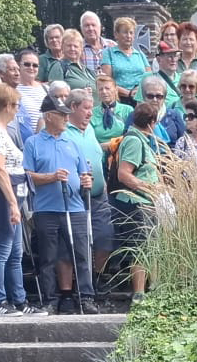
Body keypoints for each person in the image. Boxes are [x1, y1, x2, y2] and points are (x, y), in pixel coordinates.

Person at [23, 94, 96, 314]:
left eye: (66, 114)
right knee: (48, 256)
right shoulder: (33, 142)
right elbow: (26, 175)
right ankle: (50, 299)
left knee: (81, 254)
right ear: (49, 116)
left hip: (74, 207)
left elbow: (85, 174)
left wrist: (86, 181)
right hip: (46, 209)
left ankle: (86, 297)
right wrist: (51, 177)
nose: (66, 118)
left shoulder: (73, 142)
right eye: (61, 114)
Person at [0, 84, 45, 316]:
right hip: (4, 191)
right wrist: (12, 204)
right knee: (2, 247)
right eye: (16, 105)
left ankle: (19, 299)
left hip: (12, 190)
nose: (18, 110)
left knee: (15, 250)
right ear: (7, 106)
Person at [62, 88, 113, 300]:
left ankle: (98, 278)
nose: (91, 113)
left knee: (105, 237)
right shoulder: (64, 131)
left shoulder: (89, 128)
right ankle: (74, 288)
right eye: (86, 108)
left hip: (99, 195)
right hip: (76, 197)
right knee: (76, 244)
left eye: (92, 108)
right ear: (73, 107)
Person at [112, 101, 162, 303]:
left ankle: (153, 287)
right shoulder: (134, 141)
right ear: (152, 121)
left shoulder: (143, 140)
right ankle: (139, 293)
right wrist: (150, 188)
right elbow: (124, 174)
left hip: (146, 203)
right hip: (137, 204)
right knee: (141, 247)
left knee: (151, 246)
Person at [102, 16, 147, 98]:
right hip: (119, 98)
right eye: (125, 32)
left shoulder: (140, 55)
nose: (129, 36)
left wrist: (138, 91)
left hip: (141, 98)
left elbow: (148, 77)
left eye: (131, 33)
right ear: (116, 34)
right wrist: (128, 93)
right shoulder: (109, 53)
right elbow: (106, 81)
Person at [141, 76, 186, 151]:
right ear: (144, 97)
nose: (154, 100)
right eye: (150, 96)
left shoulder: (174, 115)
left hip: (173, 160)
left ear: (164, 98)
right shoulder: (136, 116)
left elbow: (184, 142)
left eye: (159, 96)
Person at [77, 11, 116, 76]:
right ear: (81, 28)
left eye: (93, 25)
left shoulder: (112, 46)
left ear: (100, 27)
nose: (90, 28)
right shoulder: (77, 48)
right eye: (87, 25)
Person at [151, 40, 184, 107]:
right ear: (158, 59)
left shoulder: (184, 78)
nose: (173, 59)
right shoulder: (151, 80)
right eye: (169, 56)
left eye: (175, 55)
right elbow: (141, 107)